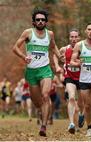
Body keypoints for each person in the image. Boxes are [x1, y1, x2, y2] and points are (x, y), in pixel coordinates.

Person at [12, 7, 62, 137]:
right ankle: (42, 113)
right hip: (31, 71)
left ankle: (44, 126)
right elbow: (15, 47)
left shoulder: (50, 34)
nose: (40, 21)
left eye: (43, 20)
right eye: (38, 20)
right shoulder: (28, 33)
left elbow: (53, 46)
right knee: (37, 101)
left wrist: (59, 56)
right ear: (34, 22)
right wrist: (24, 57)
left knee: (46, 96)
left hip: (45, 69)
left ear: (46, 22)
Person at [54, 29, 84, 134]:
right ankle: (71, 123)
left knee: (81, 102)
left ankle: (81, 114)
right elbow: (55, 54)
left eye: (76, 37)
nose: (74, 39)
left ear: (79, 38)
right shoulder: (64, 49)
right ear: (69, 38)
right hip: (69, 76)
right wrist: (57, 66)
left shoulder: (84, 48)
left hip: (82, 78)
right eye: (72, 37)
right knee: (71, 97)